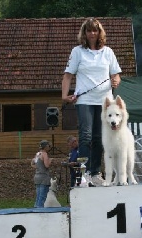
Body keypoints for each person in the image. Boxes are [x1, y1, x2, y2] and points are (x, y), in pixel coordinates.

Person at [61, 18, 122, 186]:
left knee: (99, 137)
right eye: (89, 30)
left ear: (99, 32)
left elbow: (116, 74)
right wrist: (65, 95)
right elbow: (67, 75)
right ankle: (84, 172)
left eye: (95, 30)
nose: (92, 33)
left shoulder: (108, 52)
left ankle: (95, 173)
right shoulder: (77, 51)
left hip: (104, 102)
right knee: (85, 136)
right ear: (84, 33)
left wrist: (116, 80)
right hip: (85, 100)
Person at [33, 140, 53, 208]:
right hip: (44, 177)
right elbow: (46, 165)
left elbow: (32, 164)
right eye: (48, 146)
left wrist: (38, 167)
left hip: (37, 176)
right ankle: (39, 212)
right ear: (46, 146)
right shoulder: (45, 154)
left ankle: (35, 209)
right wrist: (50, 161)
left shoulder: (37, 154)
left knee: (38, 196)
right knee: (42, 197)